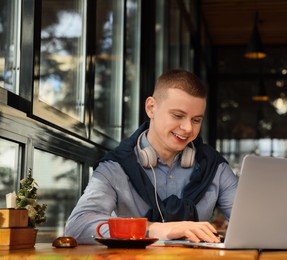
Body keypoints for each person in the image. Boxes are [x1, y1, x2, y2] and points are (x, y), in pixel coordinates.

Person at [64, 69, 238, 244]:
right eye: (178, 116)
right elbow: (77, 226)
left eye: (196, 120)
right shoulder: (115, 166)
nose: (187, 128)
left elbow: (254, 223)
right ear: (151, 108)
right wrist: (154, 229)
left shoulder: (216, 168)